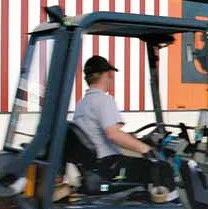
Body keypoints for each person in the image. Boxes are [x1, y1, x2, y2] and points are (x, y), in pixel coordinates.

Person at [73, 55, 175, 194]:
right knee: (162, 168)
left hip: (93, 166)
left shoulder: (82, 104)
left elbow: (103, 132)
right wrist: (145, 148)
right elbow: (113, 134)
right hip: (109, 167)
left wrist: (133, 139)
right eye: (110, 75)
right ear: (106, 75)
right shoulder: (104, 100)